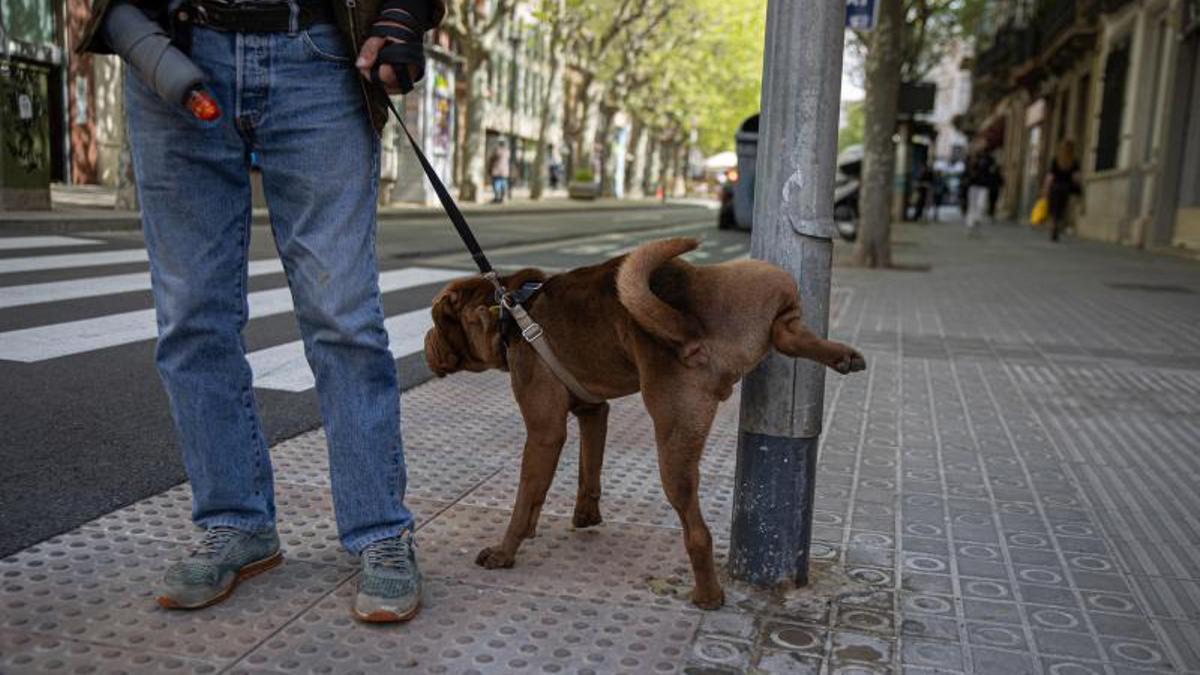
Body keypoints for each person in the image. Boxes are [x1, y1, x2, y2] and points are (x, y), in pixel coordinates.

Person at [79, 0, 445, 622]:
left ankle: (380, 530)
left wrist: (405, 9)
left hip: (320, 53)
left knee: (343, 316)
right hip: (170, 47)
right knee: (193, 317)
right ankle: (236, 522)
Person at [1044, 139, 1081, 242]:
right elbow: (1076, 177)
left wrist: (1045, 189)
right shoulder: (1074, 161)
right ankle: (1058, 227)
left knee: (1053, 210)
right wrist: (1079, 188)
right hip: (1066, 188)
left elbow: (1050, 177)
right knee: (1061, 209)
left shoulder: (1056, 159)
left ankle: (1053, 228)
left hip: (1055, 187)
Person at [964, 153, 992, 234]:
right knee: (972, 205)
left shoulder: (987, 167)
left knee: (981, 204)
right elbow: (967, 176)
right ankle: (970, 223)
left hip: (983, 187)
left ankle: (977, 219)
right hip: (973, 187)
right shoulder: (972, 166)